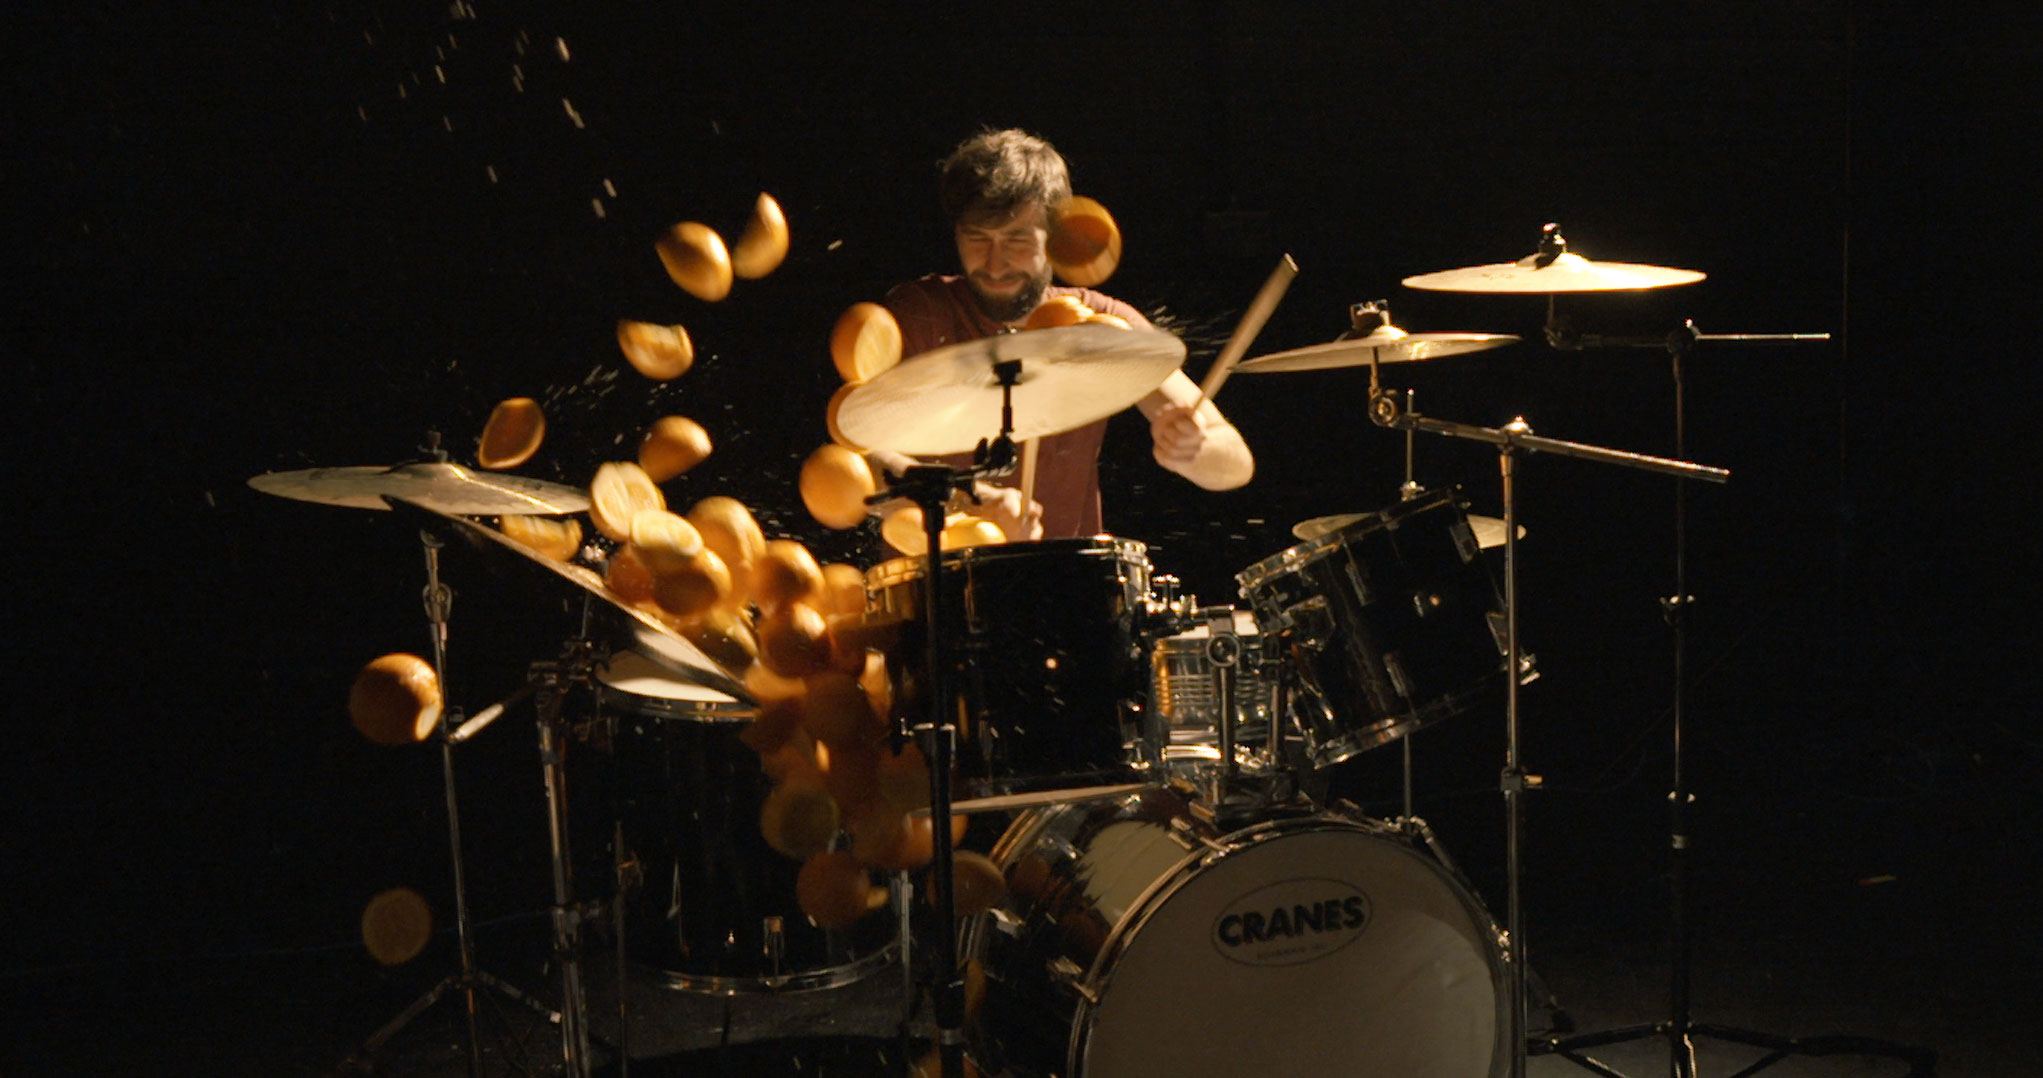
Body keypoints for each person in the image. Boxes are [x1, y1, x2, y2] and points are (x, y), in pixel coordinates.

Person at [870, 128, 1254, 541]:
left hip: (1067, 576)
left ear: (1057, 236)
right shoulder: (919, 313)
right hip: (936, 576)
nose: (995, 265)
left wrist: (1194, 450)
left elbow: (1236, 461)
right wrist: (972, 503)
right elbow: (860, 459)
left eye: (1017, 239)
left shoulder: (1100, 322)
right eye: (977, 238)